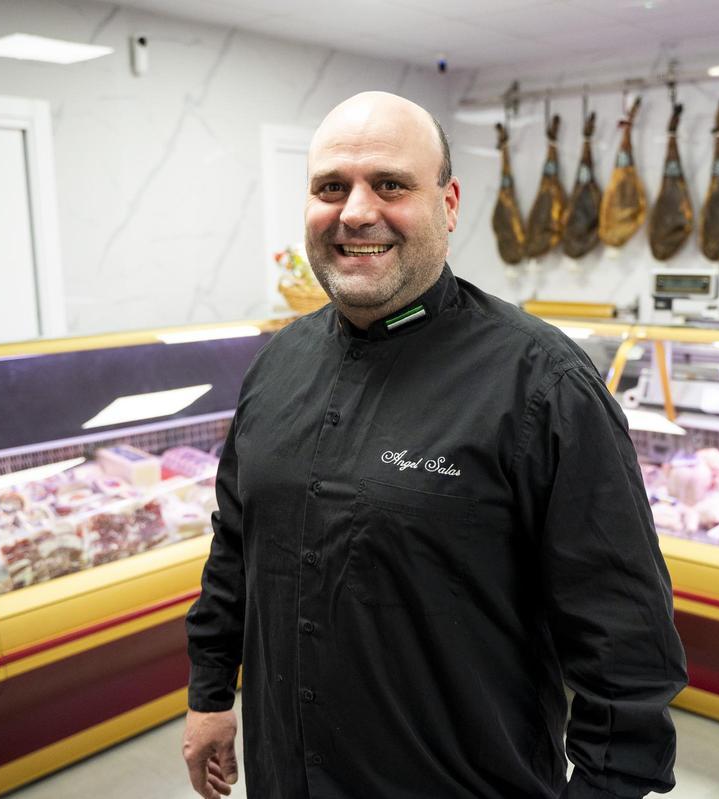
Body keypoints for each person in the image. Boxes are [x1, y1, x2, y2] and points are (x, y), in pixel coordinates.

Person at [183, 91, 686, 799]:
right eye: (332, 187)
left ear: (448, 205)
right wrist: (209, 692)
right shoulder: (277, 365)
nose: (356, 212)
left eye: (390, 184)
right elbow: (235, 546)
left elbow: (625, 646)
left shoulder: (542, 386)